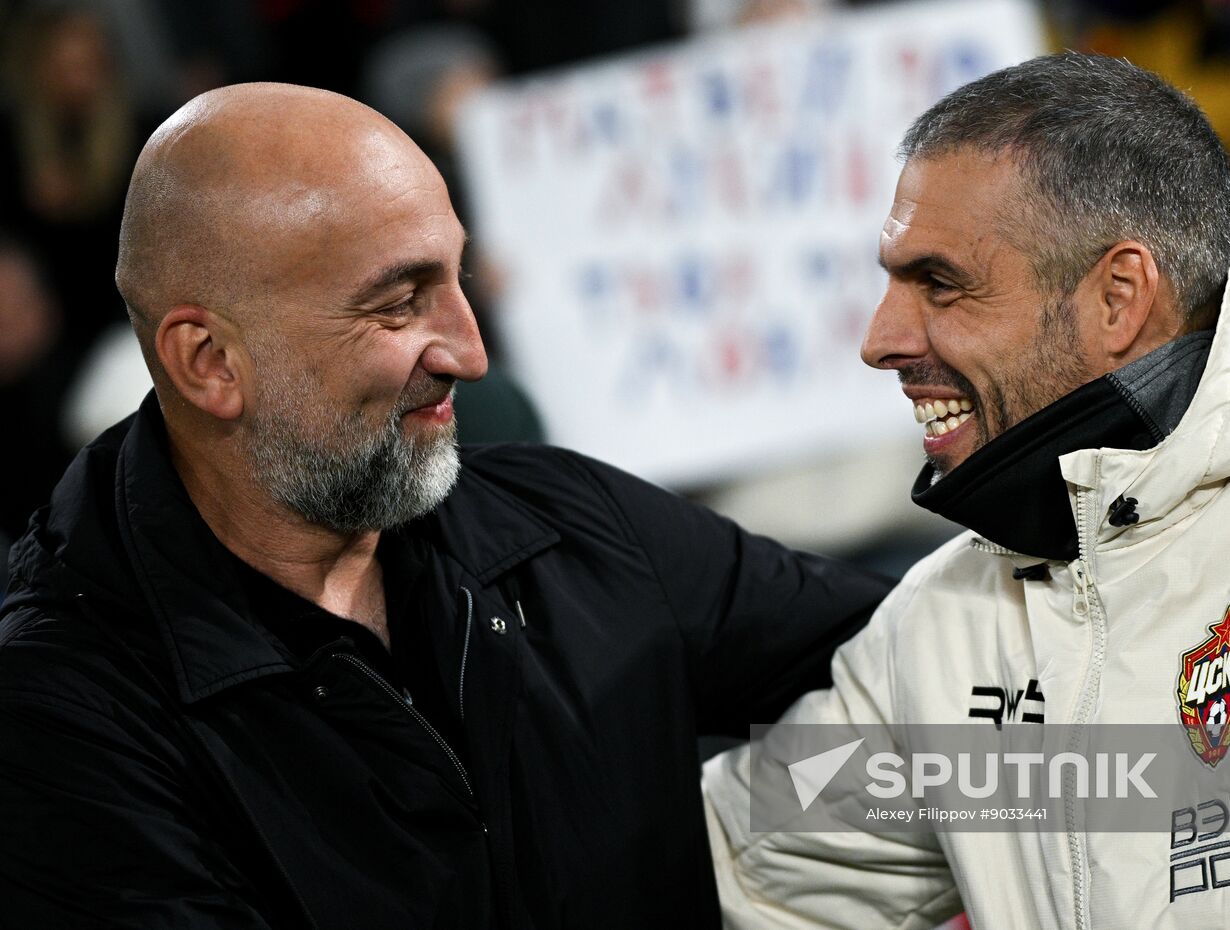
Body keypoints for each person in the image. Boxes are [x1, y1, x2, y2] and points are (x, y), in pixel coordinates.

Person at [0, 83, 891, 929]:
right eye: (399, 302)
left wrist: (748, 827)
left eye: (462, 280)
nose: (470, 351)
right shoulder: (57, 715)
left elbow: (947, 691)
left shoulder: (569, 527)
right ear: (210, 362)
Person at [704, 52, 1230, 928]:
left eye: (941, 284)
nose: (880, 340)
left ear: (1118, 298)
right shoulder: (947, 611)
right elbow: (738, 867)